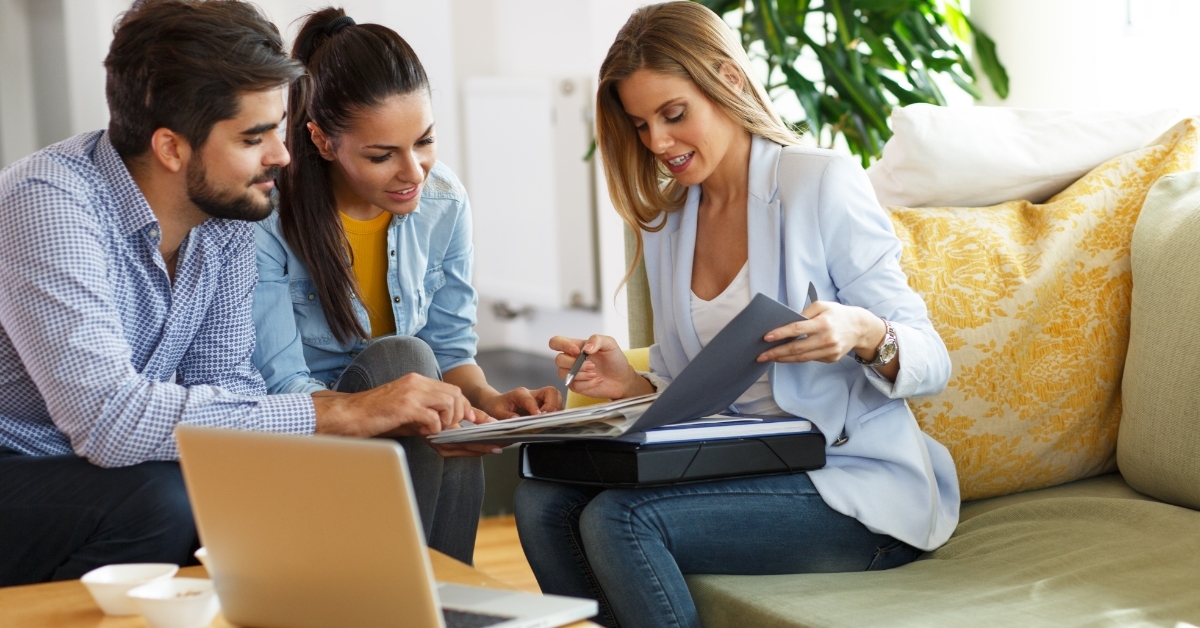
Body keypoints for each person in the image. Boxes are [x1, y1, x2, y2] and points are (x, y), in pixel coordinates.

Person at [0, 0, 478, 587]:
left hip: (116, 468)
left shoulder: (229, 220)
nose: (281, 154)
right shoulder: (48, 204)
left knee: (237, 501)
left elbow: (231, 391)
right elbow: (109, 420)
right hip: (23, 463)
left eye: (278, 129)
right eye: (255, 137)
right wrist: (342, 411)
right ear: (172, 148)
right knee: (170, 501)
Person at [514, 4, 960, 627]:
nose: (659, 143)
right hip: (733, 463)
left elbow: (933, 357)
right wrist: (631, 383)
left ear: (728, 79)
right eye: (641, 125)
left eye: (674, 115)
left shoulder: (819, 183)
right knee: (540, 501)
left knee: (621, 519)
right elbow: (688, 389)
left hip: (847, 482)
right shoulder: (669, 222)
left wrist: (860, 332)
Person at [250, 7, 562, 565]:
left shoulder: (443, 201)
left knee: (439, 396)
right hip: (310, 440)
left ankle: (436, 601)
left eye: (424, 142)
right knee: (406, 360)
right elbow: (284, 391)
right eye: (382, 155)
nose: (414, 172)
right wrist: (390, 398)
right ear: (321, 140)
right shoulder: (268, 220)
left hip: (405, 443)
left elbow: (451, 353)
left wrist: (489, 402)